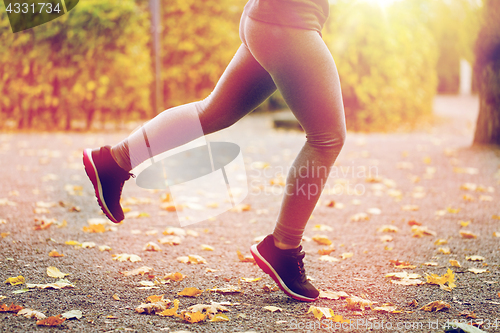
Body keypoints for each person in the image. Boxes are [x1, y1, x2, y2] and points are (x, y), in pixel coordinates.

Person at [83, 0, 346, 302]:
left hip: (267, 20)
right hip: (287, 23)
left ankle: (113, 161)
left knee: (211, 113)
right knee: (327, 138)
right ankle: (283, 247)